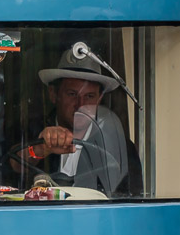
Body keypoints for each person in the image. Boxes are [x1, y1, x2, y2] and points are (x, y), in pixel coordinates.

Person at [14, 47, 143, 197]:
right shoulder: (32, 132)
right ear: (53, 94)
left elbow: (131, 202)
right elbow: (10, 169)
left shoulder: (120, 148)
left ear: (99, 99)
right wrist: (41, 149)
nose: (80, 104)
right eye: (72, 94)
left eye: (89, 96)